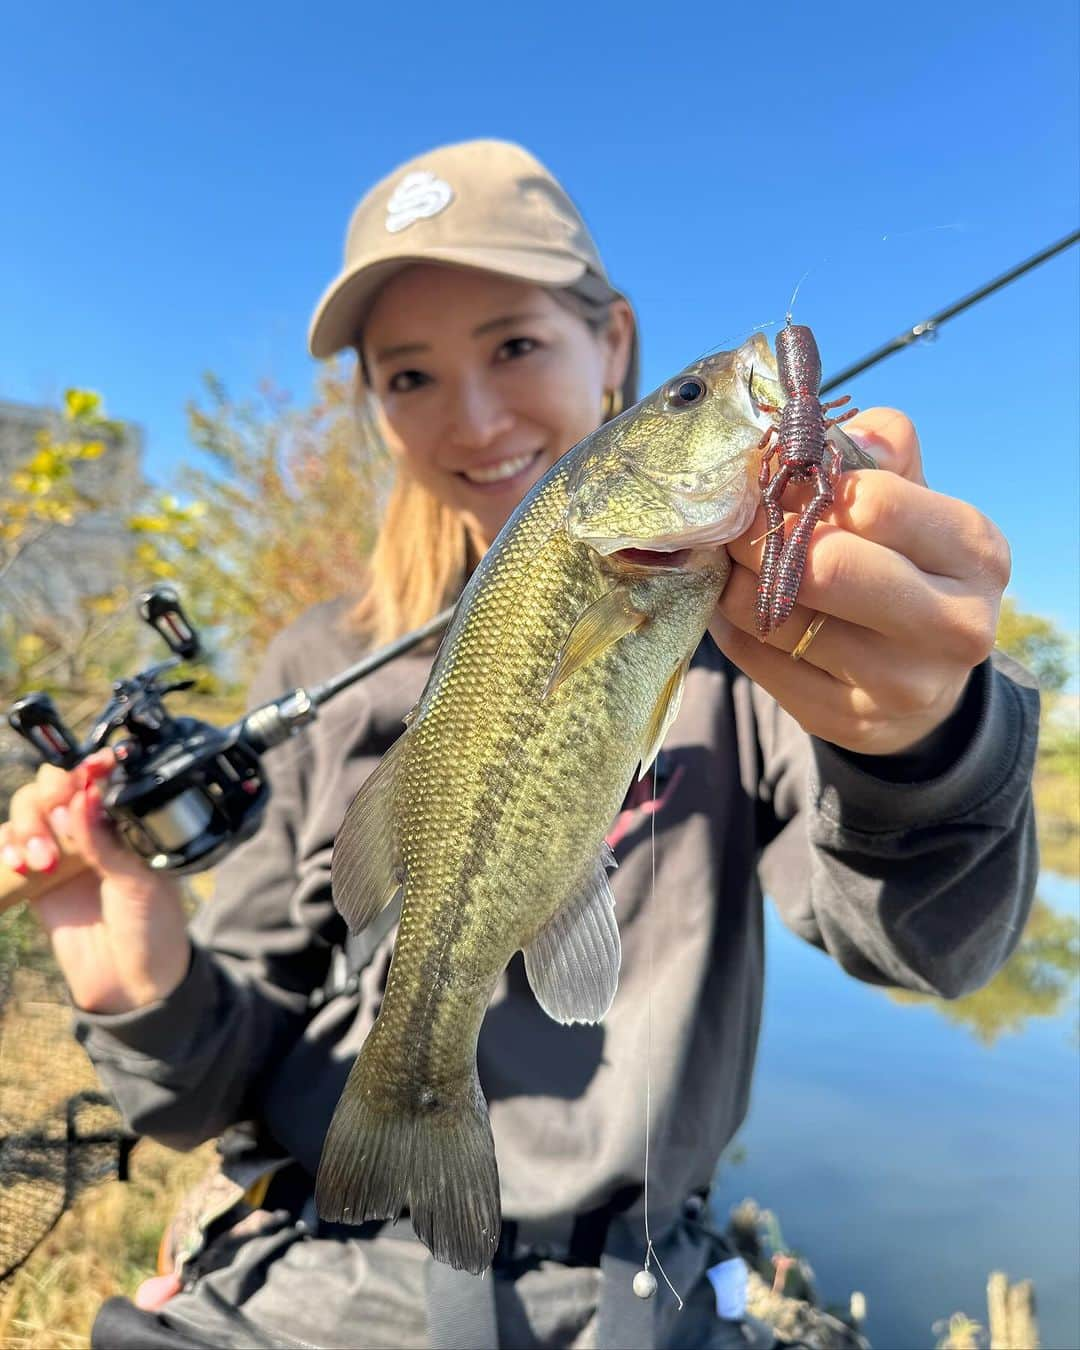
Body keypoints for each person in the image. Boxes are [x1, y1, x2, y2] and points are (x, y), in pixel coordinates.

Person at [0, 140, 1039, 1350]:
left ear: (613, 344)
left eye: (515, 344)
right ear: (375, 410)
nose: (476, 415)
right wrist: (142, 992)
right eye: (409, 376)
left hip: (624, 1303)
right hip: (295, 1282)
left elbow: (927, 950)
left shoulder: (765, 653)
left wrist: (929, 742)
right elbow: (220, 1081)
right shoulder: (312, 664)